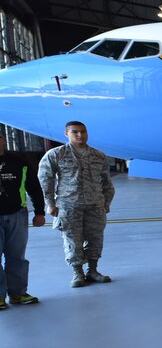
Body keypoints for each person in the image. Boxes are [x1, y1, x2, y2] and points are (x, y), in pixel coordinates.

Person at [38, 121, 115, 287]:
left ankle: (93, 271)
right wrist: (50, 203)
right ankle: (78, 273)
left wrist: (107, 201)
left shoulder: (99, 155)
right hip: (68, 205)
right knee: (73, 239)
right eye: (75, 132)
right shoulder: (56, 154)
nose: (80, 135)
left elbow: (106, 181)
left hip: (95, 204)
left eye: (83, 132)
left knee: (96, 238)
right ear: (66, 134)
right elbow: (46, 179)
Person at [0, 136, 46, 308]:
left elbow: (34, 187)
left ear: (3, 140)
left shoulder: (19, 162)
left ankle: (18, 293)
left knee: (16, 257)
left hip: (17, 215)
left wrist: (39, 212)